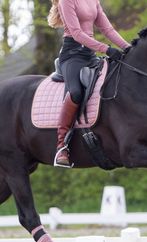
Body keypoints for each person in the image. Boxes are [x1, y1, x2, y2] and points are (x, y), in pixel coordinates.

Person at [48, 0, 130, 168]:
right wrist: (106, 49)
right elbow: (77, 33)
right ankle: (61, 146)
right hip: (72, 55)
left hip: (89, 55)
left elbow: (108, 29)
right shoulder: (66, 1)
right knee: (76, 92)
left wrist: (130, 49)